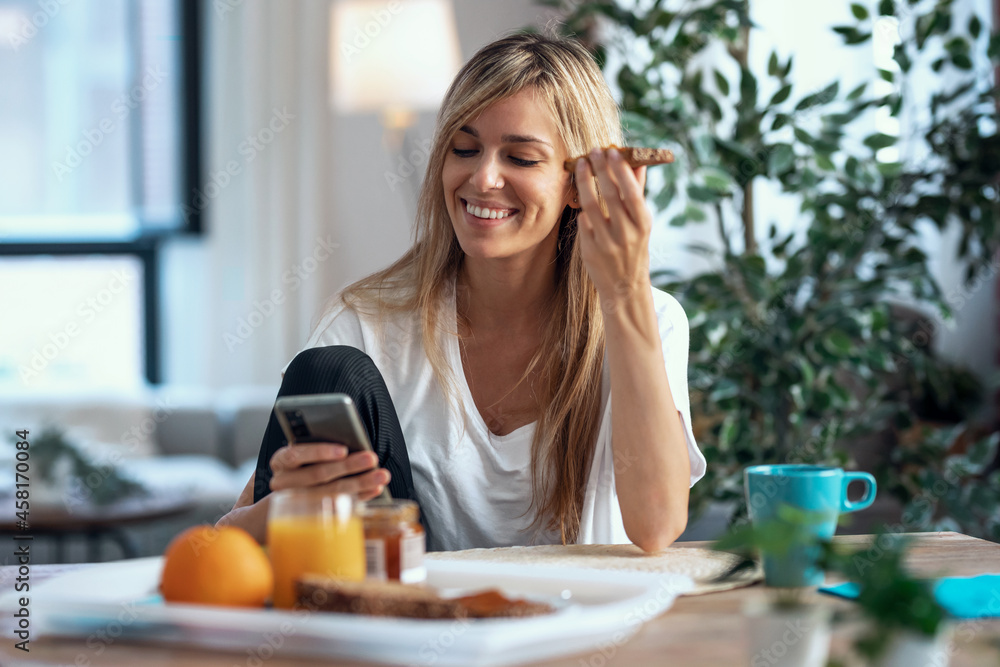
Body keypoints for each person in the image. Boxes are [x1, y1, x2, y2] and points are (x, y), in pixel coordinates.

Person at [217, 32, 706, 552]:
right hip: (411, 612)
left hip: (575, 625)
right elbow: (229, 537)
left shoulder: (649, 317)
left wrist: (624, 291)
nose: (482, 177)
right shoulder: (366, 324)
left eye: (520, 158)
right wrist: (278, 515)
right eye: (465, 149)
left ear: (577, 185)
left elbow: (656, 527)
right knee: (327, 370)